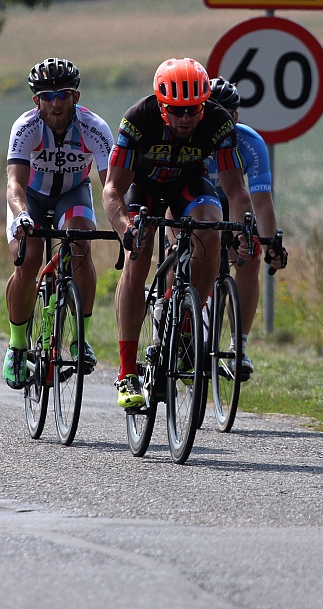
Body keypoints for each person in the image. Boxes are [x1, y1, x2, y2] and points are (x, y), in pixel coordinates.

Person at [102, 57, 257, 408]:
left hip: (187, 185)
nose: (186, 119)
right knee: (137, 257)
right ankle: (127, 373)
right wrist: (125, 228)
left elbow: (235, 189)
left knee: (211, 228)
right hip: (142, 188)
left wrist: (246, 229)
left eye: (193, 110)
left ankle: (187, 318)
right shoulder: (137, 119)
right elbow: (112, 189)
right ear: (161, 106)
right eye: (177, 111)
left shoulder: (217, 121)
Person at [3, 58, 114, 389]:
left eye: (63, 94)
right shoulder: (26, 128)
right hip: (32, 198)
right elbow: (15, 185)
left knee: (80, 244)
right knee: (28, 258)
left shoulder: (95, 129)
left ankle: (82, 338)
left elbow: (112, 187)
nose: (55, 102)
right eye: (47, 95)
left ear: (75, 97)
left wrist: (125, 224)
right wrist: (22, 214)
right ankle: (17, 347)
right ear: (35, 100)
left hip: (73, 193)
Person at [204, 77, 288, 380]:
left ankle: (238, 347)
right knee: (189, 246)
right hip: (193, 200)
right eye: (211, 111)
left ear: (236, 117)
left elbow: (261, 201)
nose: (219, 119)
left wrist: (269, 245)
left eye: (227, 113)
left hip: (233, 203)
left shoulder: (250, 142)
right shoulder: (190, 138)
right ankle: (178, 312)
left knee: (249, 257)